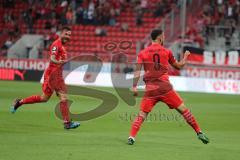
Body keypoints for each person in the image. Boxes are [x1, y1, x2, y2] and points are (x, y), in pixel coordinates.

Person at [128, 29, 209, 145]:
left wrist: (134, 86)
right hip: (165, 87)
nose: (164, 38)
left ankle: (131, 137)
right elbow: (179, 66)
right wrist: (186, 56)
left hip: (151, 89)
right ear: (160, 38)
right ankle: (199, 132)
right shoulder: (167, 52)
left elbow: (137, 71)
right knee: (183, 110)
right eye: (164, 36)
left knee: (142, 114)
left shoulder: (142, 53)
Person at [10, 26, 80, 130]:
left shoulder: (63, 46)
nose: (68, 36)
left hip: (58, 76)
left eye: (70, 35)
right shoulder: (56, 44)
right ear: (61, 34)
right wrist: (59, 62)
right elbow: (52, 58)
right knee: (54, 97)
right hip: (52, 75)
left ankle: (67, 123)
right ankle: (19, 102)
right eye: (66, 34)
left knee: (52, 98)